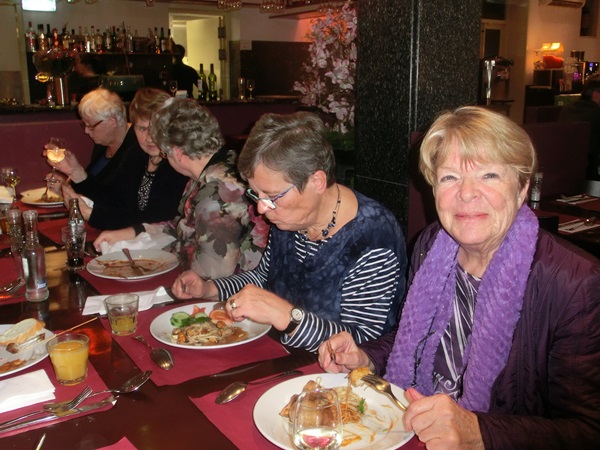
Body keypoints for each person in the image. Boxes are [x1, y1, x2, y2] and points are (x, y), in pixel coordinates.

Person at [318, 106, 600, 449]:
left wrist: (480, 431)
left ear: (523, 187)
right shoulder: (430, 245)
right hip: (412, 422)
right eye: (449, 177)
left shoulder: (575, 283)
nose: (466, 193)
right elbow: (419, 338)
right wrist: (367, 356)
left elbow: (587, 431)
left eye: (489, 176)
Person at [169, 112, 407, 353]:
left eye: (271, 197)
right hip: (279, 355)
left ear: (317, 182)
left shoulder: (372, 240)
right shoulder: (291, 218)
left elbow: (365, 343)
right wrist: (211, 288)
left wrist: (287, 317)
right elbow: (264, 278)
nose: (261, 208)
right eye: (256, 194)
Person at [93, 98, 268, 278]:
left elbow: (212, 273)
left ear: (176, 152)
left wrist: (155, 255)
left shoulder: (217, 196)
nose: (165, 158)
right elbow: (182, 225)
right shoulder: (218, 165)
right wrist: (134, 231)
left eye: (164, 153)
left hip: (235, 289)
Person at [61, 88, 188, 230]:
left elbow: (156, 221)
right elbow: (112, 199)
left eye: (156, 128)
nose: (149, 138)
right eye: (142, 129)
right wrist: (76, 173)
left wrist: (89, 213)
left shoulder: (177, 163)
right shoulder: (136, 154)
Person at [46, 88, 138, 202]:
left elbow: (113, 201)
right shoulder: (102, 145)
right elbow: (90, 188)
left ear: (113, 121)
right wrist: (64, 188)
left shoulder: (136, 147)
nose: (86, 131)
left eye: (91, 126)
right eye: (84, 125)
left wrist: (77, 172)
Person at [558, 73, 600, 180]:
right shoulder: (596, 114)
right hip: (591, 177)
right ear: (596, 94)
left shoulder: (568, 108)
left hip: (561, 171)